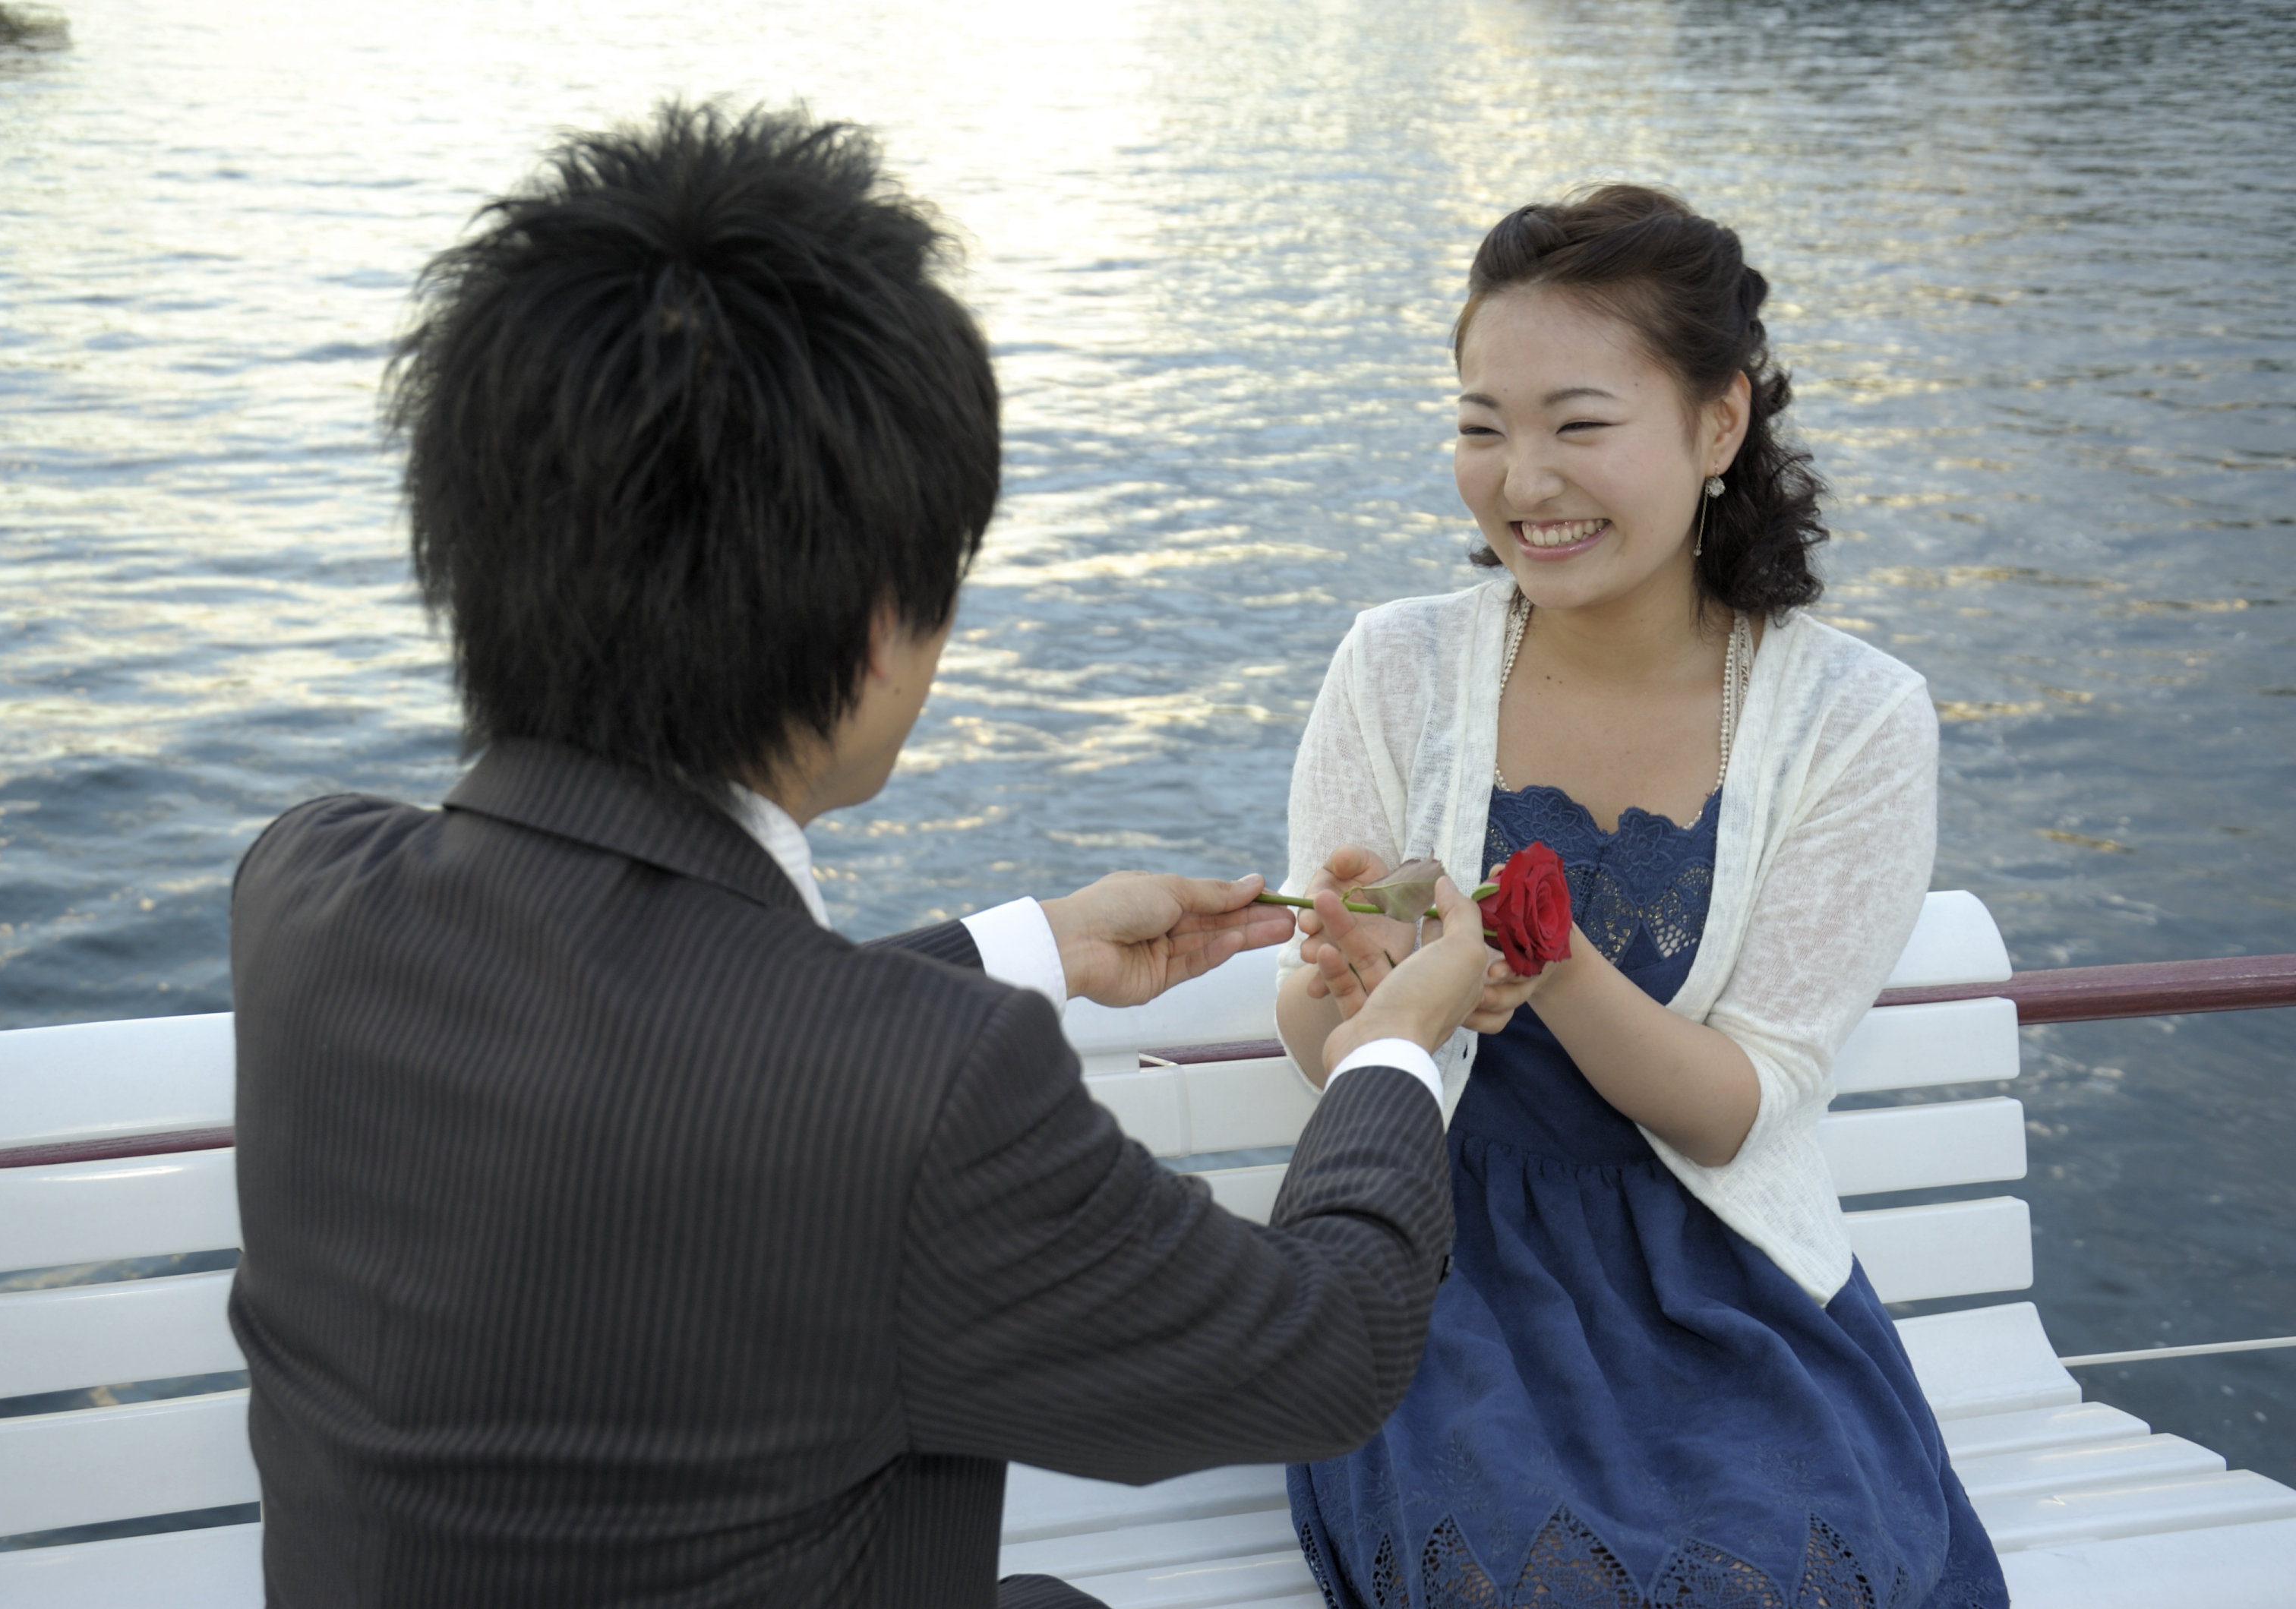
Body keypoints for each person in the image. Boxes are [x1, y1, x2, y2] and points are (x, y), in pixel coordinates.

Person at [224, 103, 1496, 1609]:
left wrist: (1017, 948)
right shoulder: (930, 1103)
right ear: (879, 626)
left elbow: (660, 1040)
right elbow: (1323, 1350)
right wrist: (1395, 1042)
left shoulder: (304, 894)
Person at [1270, 187, 2008, 1608]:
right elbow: (1331, 1053)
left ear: (1718, 424)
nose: (1523, 479)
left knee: (1794, 1578)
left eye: (1579, 424)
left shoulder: (1851, 716)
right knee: (1526, 1578)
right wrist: (1353, 988)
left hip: (1724, 1276)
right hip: (1434, 1255)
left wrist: (1544, 964)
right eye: (1482, 425)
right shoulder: (1398, 667)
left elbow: (1740, 1103)